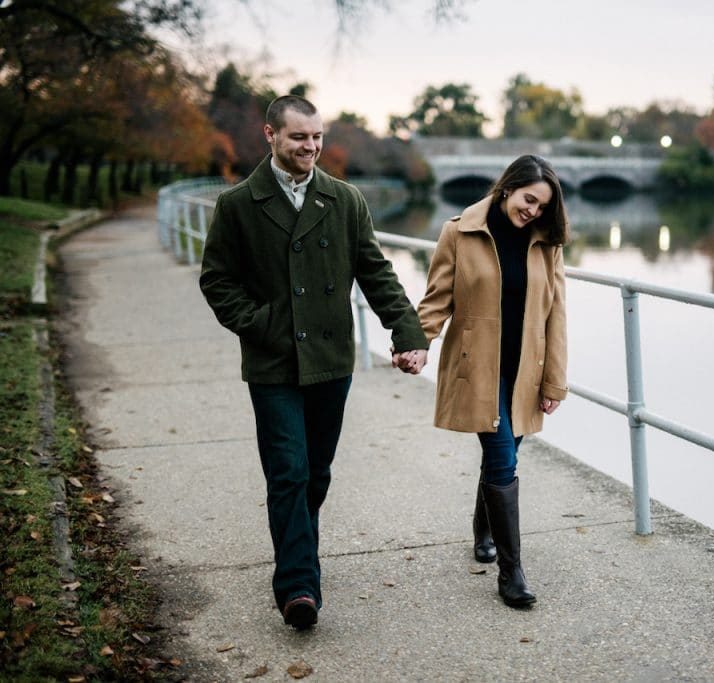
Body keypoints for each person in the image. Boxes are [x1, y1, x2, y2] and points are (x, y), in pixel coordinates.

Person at [199, 95, 428, 630]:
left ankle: (297, 550)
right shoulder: (237, 205)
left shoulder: (345, 201)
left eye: (317, 136)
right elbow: (217, 281)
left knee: (316, 474)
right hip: (272, 362)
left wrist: (407, 330)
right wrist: (264, 325)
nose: (312, 146)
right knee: (288, 473)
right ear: (271, 136)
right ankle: (299, 585)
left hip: (330, 359)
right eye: (300, 137)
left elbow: (376, 273)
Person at [396, 154, 568, 608]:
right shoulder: (460, 230)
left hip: (525, 369)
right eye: (529, 199)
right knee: (502, 456)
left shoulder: (547, 243)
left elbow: (556, 316)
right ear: (508, 187)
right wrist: (417, 342)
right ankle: (511, 573)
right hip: (479, 368)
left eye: (541, 207)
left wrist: (555, 381)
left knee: (504, 456)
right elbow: (437, 298)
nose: (532, 211)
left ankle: (484, 529)